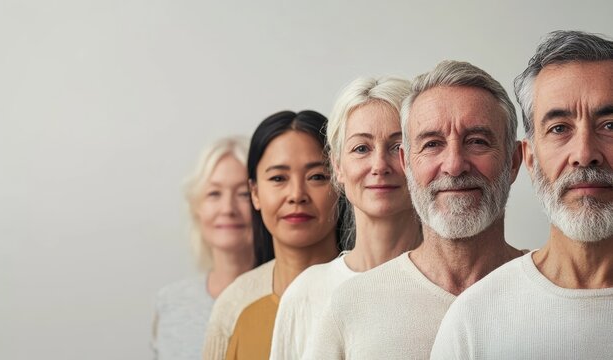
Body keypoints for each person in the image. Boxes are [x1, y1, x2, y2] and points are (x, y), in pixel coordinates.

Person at [304, 60, 526, 359]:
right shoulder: (351, 305)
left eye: (476, 141)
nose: (454, 165)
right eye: (432, 144)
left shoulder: (554, 295)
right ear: (407, 162)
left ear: (513, 161)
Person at [431, 30, 613, 360]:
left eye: (610, 126)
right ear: (529, 158)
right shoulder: (474, 319)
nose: (585, 153)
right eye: (560, 128)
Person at [269, 76, 421, 360]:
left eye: (397, 146)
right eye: (361, 148)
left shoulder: (452, 284)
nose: (379, 166)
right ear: (337, 166)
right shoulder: (304, 294)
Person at [203, 110, 347, 360]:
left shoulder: (372, 290)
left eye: (317, 177)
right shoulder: (234, 305)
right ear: (255, 193)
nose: (296, 194)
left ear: (341, 184)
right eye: (278, 178)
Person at [152, 136, 254, 360]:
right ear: (196, 207)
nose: (227, 208)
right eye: (214, 194)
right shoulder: (170, 302)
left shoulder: (288, 298)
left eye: (243, 194)